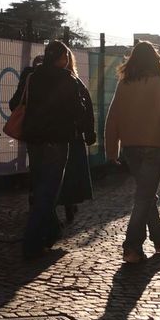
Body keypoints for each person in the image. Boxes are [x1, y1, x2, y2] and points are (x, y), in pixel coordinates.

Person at [103, 41, 160, 263]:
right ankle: (132, 246)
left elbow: (112, 119)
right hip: (156, 146)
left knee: (145, 194)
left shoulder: (124, 85)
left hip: (130, 147)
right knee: (144, 195)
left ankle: (159, 235)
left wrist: (112, 151)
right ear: (155, 61)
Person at [12, 40, 85, 259]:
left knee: (41, 187)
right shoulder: (68, 80)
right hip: (57, 140)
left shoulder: (33, 77)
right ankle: (32, 243)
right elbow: (78, 111)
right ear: (62, 58)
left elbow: (17, 103)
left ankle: (52, 232)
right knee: (49, 191)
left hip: (34, 140)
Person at [59, 48, 96, 225]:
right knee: (72, 172)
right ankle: (69, 203)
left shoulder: (39, 79)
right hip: (72, 135)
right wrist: (89, 132)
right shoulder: (75, 82)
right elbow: (86, 110)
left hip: (48, 135)